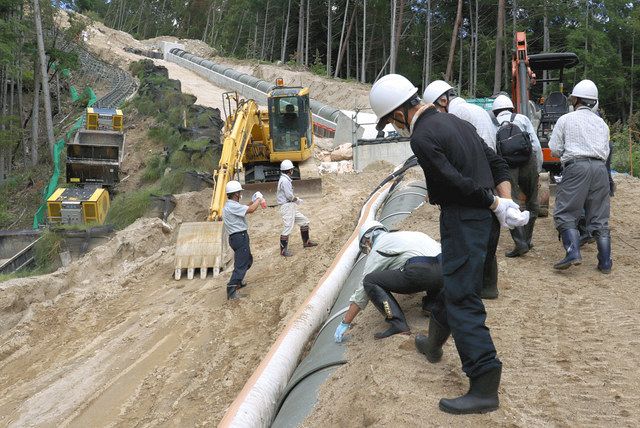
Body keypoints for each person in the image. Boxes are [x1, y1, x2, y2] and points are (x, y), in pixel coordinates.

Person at [369, 74, 529, 414]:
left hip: (464, 219)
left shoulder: (423, 136)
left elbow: (453, 182)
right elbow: (496, 162)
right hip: (484, 221)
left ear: (398, 112)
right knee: (453, 282)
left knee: (462, 299)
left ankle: (485, 383)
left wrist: (495, 204)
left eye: (388, 121)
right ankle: (433, 343)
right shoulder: (455, 122)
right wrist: (504, 203)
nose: (392, 127)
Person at [423, 80, 500, 299]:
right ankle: (489, 286)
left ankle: (473, 289)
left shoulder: (456, 116)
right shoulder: (473, 109)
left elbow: (455, 153)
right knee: (488, 235)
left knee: (470, 241)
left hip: (475, 177)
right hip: (486, 170)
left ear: (443, 101)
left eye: (435, 109)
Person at [333, 221, 443, 342]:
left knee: (370, 280)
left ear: (368, 241)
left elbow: (362, 292)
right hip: (446, 270)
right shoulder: (411, 235)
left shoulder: (378, 247)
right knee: (430, 266)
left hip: (421, 272)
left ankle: (398, 324)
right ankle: (432, 304)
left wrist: (345, 322)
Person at [549, 79, 612, 273]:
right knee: (599, 216)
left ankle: (572, 251)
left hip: (576, 167)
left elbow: (554, 149)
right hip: (600, 168)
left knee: (565, 212)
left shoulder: (566, 119)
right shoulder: (601, 123)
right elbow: (606, 151)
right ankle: (605, 262)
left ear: (575, 100)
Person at [492, 94, 543, 257]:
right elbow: (535, 145)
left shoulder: (493, 123)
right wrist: (538, 169)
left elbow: (492, 150)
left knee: (511, 203)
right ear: (511, 108)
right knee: (532, 201)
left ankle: (520, 243)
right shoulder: (522, 118)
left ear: (495, 111)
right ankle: (527, 239)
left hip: (507, 166)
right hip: (528, 162)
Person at [423, 81, 497, 151]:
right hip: (490, 155)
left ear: (443, 101)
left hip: (481, 157)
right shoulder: (474, 108)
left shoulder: (455, 113)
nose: (439, 113)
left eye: (437, 109)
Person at [222, 180, 265, 300]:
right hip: (239, 237)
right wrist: (258, 199)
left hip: (236, 237)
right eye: (239, 192)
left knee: (246, 259)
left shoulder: (230, 205)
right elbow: (251, 210)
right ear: (236, 194)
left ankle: (238, 281)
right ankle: (232, 288)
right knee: (242, 264)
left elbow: (246, 208)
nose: (240, 194)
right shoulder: (232, 206)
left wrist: (253, 200)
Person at [277, 159, 318, 256]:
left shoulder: (284, 179)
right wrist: (297, 200)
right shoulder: (285, 181)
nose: (292, 171)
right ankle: (283, 251)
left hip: (290, 206)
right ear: (289, 170)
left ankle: (306, 242)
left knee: (304, 221)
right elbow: (289, 196)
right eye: (291, 169)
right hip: (287, 206)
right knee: (288, 227)